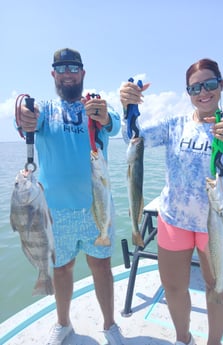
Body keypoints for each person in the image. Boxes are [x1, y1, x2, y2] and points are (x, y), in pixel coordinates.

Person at [120, 58, 223, 345]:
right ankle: (184, 338)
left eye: (209, 85)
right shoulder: (175, 125)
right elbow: (133, 139)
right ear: (188, 92)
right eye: (195, 88)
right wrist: (128, 109)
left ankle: (214, 342)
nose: (203, 92)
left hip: (217, 223)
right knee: (173, 286)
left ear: (220, 86)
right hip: (173, 221)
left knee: (217, 286)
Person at [17, 48, 125, 345]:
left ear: (82, 73)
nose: (67, 73)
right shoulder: (44, 109)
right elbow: (24, 119)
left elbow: (113, 123)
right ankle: (63, 324)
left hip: (96, 208)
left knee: (101, 266)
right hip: (55, 212)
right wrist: (23, 114)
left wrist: (103, 114)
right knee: (61, 269)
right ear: (53, 74)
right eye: (61, 68)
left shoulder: (95, 105)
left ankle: (109, 324)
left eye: (73, 68)